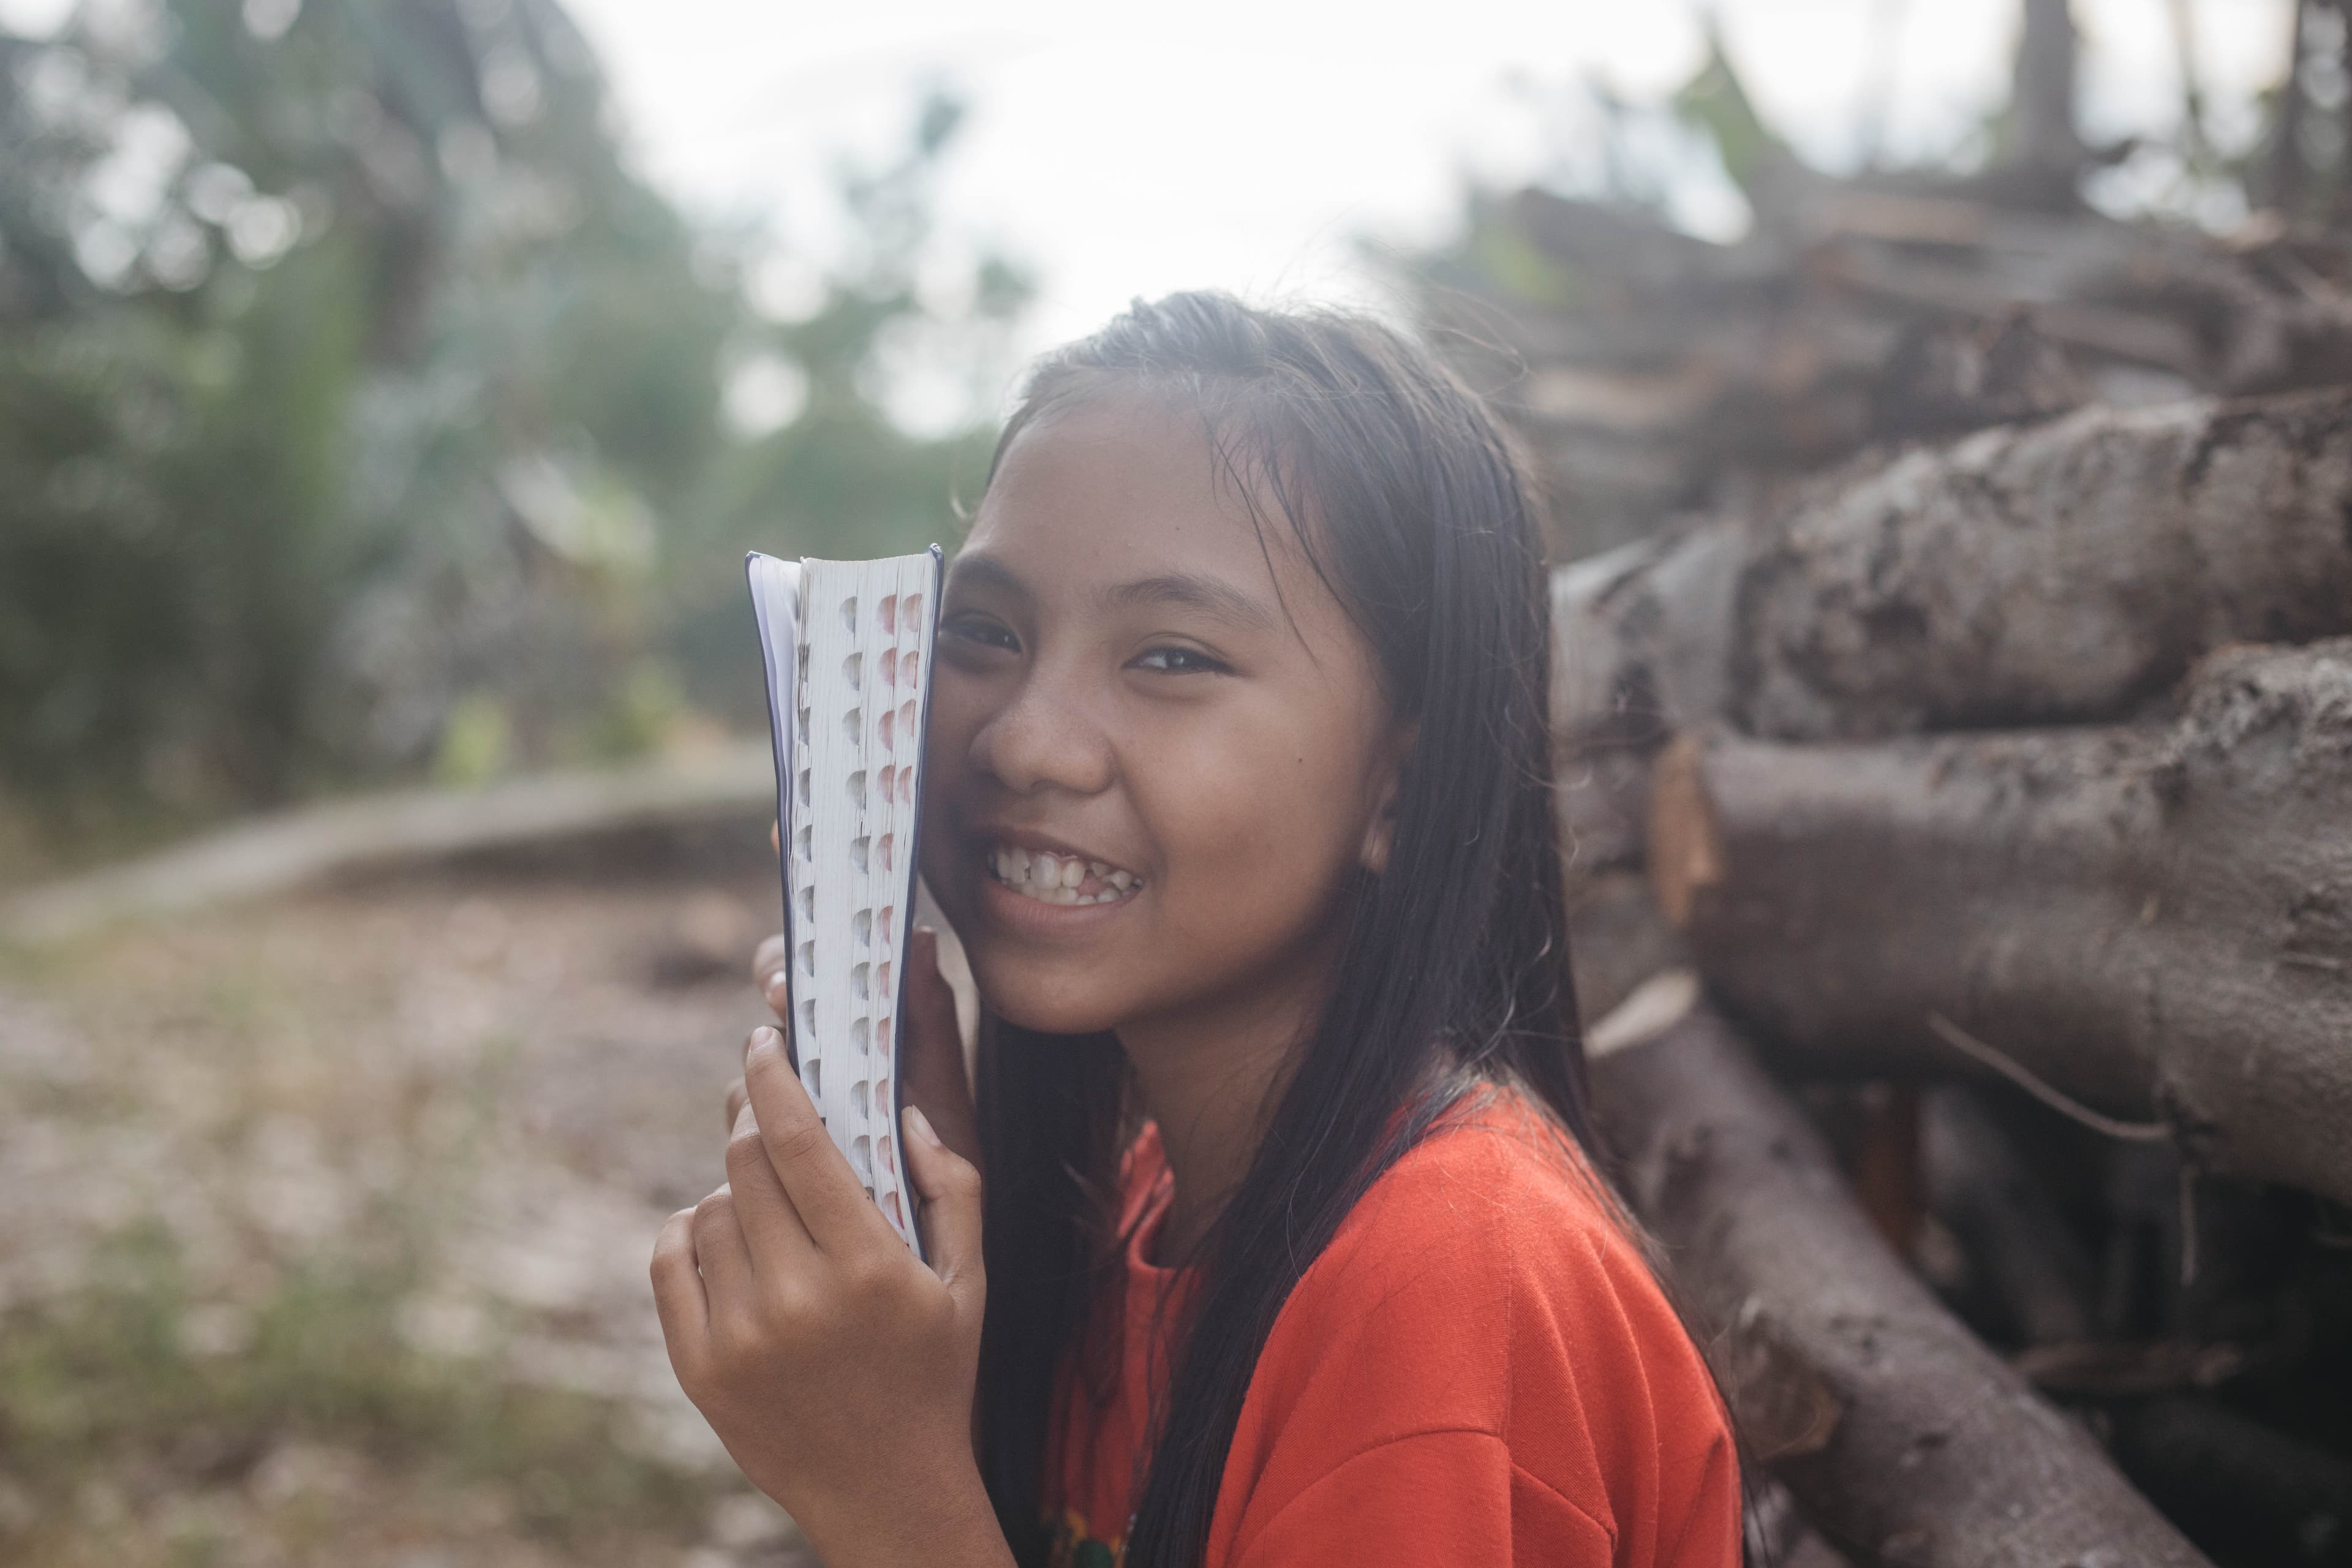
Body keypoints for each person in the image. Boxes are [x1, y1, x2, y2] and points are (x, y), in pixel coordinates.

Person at [650, 292, 1740, 1568]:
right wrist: (935, 1218)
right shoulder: (1155, 1215)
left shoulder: (1445, 1289)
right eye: (988, 632)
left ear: (1399, 785)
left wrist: (884, 1486)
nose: (1025, 738)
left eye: (1170, 658)